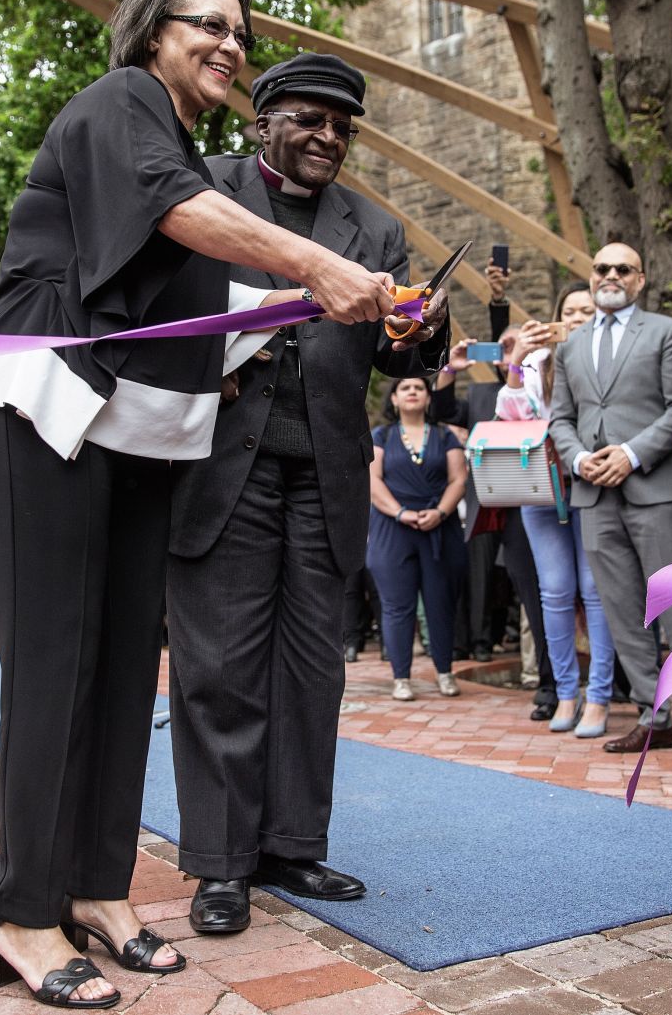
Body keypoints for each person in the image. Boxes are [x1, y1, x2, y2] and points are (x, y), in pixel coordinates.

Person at [0, 0, 396, 1008]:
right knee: (56, 662)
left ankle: (98, 887)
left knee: (120, 664)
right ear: (152, 29)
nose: (229, 45)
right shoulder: (123, 107)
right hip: (45, 410)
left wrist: (362, 307)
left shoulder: (180, 143)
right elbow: (176, 211)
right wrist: (318, 269)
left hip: (139, 431)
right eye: (208, 23)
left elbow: (219, 305)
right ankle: (21, 912)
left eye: (239, 31)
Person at [167, 52, 449, 935]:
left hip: (326, 474)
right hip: (221, 470)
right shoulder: (203, 190)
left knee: (310, 670)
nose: (327, 137)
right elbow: (156, 309)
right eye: (309, 119)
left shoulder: (373, 225)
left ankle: (291, 843)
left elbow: (399, 356)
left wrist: (422, 332)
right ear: (261, 122)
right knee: (219, 669)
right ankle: (220, 864)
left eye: (342, 127)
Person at [545, 244, 672, 755]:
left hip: (653, 491)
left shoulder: (665, 332)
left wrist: (630, 453)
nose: (611, 276)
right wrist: (579, 460)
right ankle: (654, 714)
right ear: (592, 276)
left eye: (624, 269)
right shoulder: (571, 346)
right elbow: (561, 417)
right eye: (602, 268)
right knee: (622, 612)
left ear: (640, 280)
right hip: (593, 494)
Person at [495, 285, 618, 738]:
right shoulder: (537, 364)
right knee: (555, 591)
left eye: (587, 310)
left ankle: (600, 697)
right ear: (555, 317)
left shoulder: (606, 361)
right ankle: (567, 692)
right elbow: (510, 418)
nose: (578, 317)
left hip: (594, 485)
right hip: (542, 489)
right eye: (570, 310)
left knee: (596, 588)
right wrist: (518, 358)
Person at [434, 319, 556, 718]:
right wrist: (450, 369)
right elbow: (443, 409)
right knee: (534, 597)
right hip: (510, 506)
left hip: (557, 495)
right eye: (503, 345)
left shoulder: (554, 379)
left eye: (519, 343)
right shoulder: (486, 392)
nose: (510, 350)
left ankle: (612, 682)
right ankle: (550, 683)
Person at [367, 375, 467, 703]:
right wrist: (399, 513)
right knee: (396, 606)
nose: (412, 392)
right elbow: (373, 481)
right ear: (393, 399)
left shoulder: (445, 435)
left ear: (428, 398)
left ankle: (444, 671)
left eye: (419, 388)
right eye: (404, 388)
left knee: (441, 603)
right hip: (393, 529)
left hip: (439, 527)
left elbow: (458, 480)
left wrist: (439, 512)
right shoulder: (380, 436)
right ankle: (401, 677)